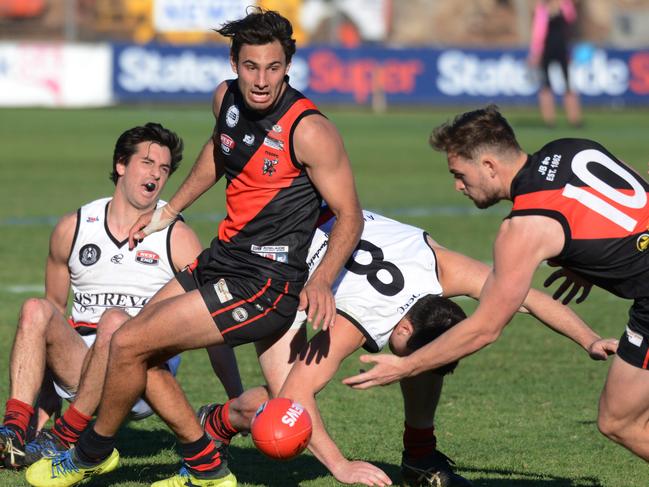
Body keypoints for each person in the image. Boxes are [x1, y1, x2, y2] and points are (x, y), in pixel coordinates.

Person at [26, 9, 363, 487]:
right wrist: (170, 207)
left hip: (262, 284)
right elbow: (218, 152)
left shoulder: (309, 130)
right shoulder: (225, 99)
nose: (261, 80)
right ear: (233, 62)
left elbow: (350, 215)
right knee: (132, 341)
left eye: (273, 68)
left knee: (126, 342)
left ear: (288, 66)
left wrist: (323, 279)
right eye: (251, 66)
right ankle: (205, 466)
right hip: (220, 259)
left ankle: (88, 453)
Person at [197, 208, 617, 487]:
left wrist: (589, 339)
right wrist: (341, 466)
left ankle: (419, 455)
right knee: (282, 415)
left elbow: (526, 296)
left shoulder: (444, 269)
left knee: (422, 363)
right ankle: (216, 421)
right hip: (278, 257)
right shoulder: (358, 319)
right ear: (401, 325)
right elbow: (296, 395)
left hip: (329, 221)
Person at [343, 105, 649, 463]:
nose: (458, 186)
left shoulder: (522, 229)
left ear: (489, 165)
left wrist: (406, 366)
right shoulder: (571, 147)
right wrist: (593, 252)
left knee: (620, 421)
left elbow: (485, 328)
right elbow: (634, 186)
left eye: (460, 174)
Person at [0, 123, 242, 469]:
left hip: (140, 375)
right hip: (79, 367)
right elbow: (53, 312)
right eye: (147, 163)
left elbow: (211, 323)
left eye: (163, 168)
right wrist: (47, 392)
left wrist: (235, 397)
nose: (156, 175)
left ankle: (63, 438)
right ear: (120, 165)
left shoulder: (177, 236)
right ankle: (12, 433)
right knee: (34, 309)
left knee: (116, 324)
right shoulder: (74, 227)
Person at [528, 0, 582, 127]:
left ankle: (574, 119)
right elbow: (538, 32)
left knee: (569, 85)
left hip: (562, 51)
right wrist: (535, 52)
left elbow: (571, 19)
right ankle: (549, 120)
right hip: (546, 51)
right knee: (546, 86)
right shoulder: (542, 9)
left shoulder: (565, 6)